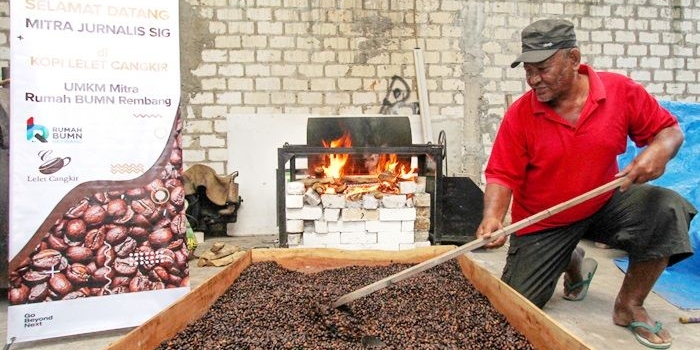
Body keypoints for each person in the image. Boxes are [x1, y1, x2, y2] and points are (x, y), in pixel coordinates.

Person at [476, 19, 696, 349]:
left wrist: (660, 151)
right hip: (545, 220)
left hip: (603, 202)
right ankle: (572, 259)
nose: (534, 79)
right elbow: (502, 174)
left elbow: (670, 131)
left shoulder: (620, 92)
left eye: (543, 68)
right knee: (514, 304)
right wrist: (492, 217)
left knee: (667, 207)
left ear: (574, 58)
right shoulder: (521, 114)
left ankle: (629, 305)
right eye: (528, 71)